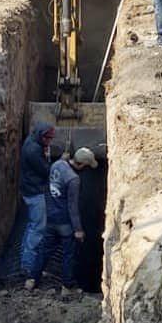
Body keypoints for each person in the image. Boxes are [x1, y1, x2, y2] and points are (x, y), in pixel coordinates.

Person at [27, 147, 98, 289]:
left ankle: (32, 279)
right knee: (68, 255)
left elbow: (60, 163)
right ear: (83, 164)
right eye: (86, 165)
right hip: (65, 223)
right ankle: (67, 285)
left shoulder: (57, 165)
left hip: (50, 218)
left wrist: (63, 158)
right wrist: (78, 229)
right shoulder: (74, 179)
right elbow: (72, 207)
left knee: (44, 250)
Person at [20, 122, 55, 290]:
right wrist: (51, 159)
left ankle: (28, 262)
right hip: (34, 192)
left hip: (29, 188)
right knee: (38, 228)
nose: (50, 142)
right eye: (48, 139)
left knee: (31, 226)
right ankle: (29, 267)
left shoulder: (31, 141)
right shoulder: (34, 150)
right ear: (41, 136)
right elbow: (45, 170)